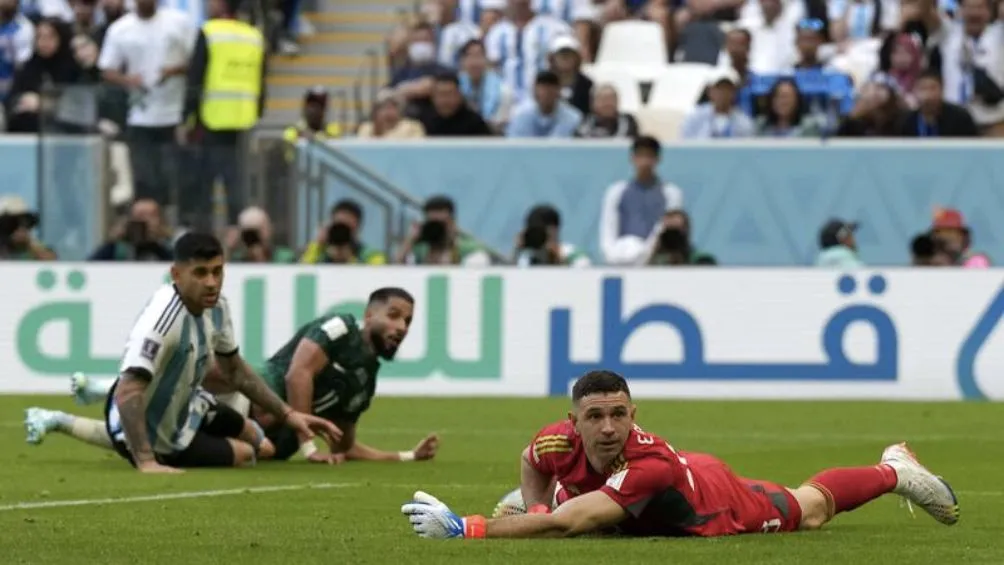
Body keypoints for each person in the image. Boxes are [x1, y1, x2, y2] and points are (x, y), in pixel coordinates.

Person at [400, 370, 959, 539]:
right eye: (594, 416)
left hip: (711, 499)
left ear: (634, 413)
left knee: (808, 508)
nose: (609, 426)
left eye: (620, 413)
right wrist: (536, 504)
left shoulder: (650, 463)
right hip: (629, 494)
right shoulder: (554, 440)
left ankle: (893, 470)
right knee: (580, 513)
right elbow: (531, 461)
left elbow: (573, 524)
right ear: (573, 421)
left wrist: (467, 529)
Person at [31, 232, 340, 473]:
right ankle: (81, 414)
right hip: (158, 437)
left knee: (264, 444)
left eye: (218, 271)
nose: (211, 282)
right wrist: (146, 460)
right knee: (247, 455)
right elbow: (128, 392)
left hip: (190, 405)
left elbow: (234, 370)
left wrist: (288, 415)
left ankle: (92, 398)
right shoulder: (161, 322)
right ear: (176, 275)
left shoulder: (218, 307)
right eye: (201, 273)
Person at [26, 288, 439, 465]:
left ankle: (66, 417)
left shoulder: (366, 381)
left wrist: (405, 455)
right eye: (394, 315)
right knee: (222, 374)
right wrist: (308, 444)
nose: (402, 326)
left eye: (409, 321)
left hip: (268, 433)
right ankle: (112, 383)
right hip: (265, 390)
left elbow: (346, 445)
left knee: (167, 440)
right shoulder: (341, 327)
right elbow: (298, 374)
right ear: (370, 314)